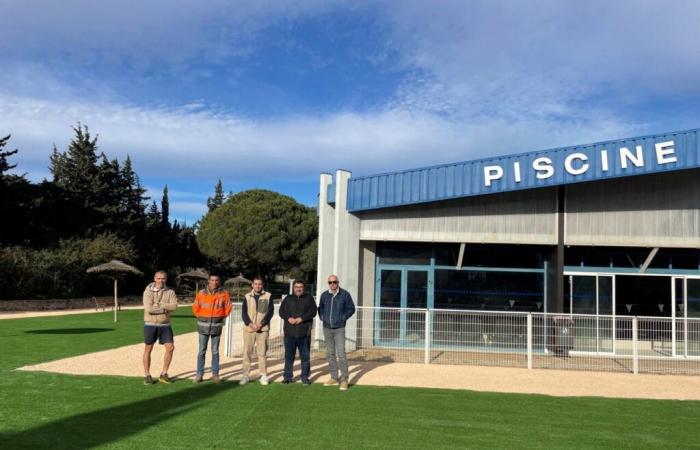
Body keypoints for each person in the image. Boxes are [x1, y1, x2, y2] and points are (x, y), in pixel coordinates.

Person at [318, 275, 356, 391]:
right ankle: (334, 377)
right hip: (327, 328)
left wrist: (343, 318)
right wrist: (323, 318)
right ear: (328, 283)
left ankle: (344, 379)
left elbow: (351, 308)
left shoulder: (344, 294)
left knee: (341, 353)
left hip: (339, 328)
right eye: (330, 282)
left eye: (334, 282)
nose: (332, 284)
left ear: (338, 282)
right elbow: (320, 308)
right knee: (330, 353)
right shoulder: (324, 295)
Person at [192, 274, 232, 383]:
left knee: (215, 351)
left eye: (216, 280)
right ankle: (199, 374)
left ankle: (215, 374)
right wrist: (200, 316)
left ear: (219, 281)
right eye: (212, 280)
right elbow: (195, 307)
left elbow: (228, 307)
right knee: (201, 351)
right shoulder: (201, 293)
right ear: (208, 281)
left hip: (216, 326)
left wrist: (222, 317)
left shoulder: (224, 293)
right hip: (203, 326)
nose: (214, 282)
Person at [142, 270, 178, 385]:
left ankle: (164, 373)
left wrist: (159, 305)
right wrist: (164, 308)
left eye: (163, 278)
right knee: (148, 349)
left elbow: (174, 306)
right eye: (159, 278)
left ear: (166, 279)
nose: (161, 281)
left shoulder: (170, 292)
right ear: (154, 278)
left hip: (165, 325)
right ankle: (147, 375)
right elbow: (149, 309)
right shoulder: (147, 292)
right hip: (150, 324)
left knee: (170, 348)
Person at [279, 279, 317, 384]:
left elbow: (313, 312)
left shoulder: (309, 298)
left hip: (304, 333)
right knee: (288, 357)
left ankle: (305, 377)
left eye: (300, 287)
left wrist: (302, 318)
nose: (298, 289)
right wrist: (288, 318)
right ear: (293, 288)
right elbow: (281, 312)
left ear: (303, 288)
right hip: (289, 333)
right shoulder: (288, 299)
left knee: (305, 357)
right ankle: (287, 377)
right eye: (296, 287)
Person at [240, 277, 275, 386]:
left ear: (262, 285)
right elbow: (244, 314)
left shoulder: (268, 296)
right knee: (247, 353)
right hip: (249, 330)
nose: (258, 286)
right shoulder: (246, 297)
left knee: (262, 353)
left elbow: (270, 312)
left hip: (262, 329)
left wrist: (260, 324)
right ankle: (245, 375)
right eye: (255, 284)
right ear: (252, 285)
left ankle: (263, 375)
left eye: (260, 284)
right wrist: (251, 324)